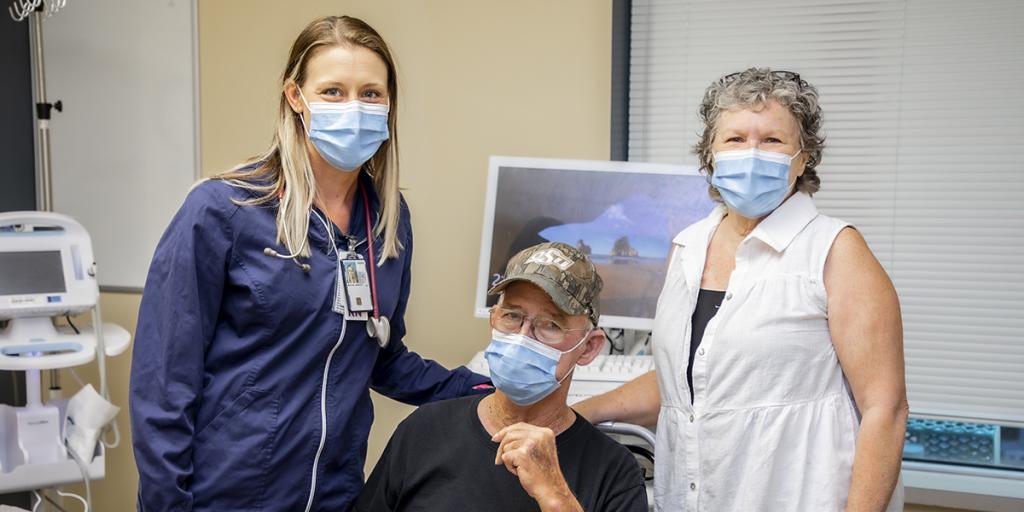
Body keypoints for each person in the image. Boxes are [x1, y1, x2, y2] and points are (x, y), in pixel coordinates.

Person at [129, 16, 489, 511]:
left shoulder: (385, 220)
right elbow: (163, 384)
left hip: (333, 495)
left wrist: (488, 386)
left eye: (370, 93)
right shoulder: (225, 210)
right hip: (227, 495)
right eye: (333, 91)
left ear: (389, 105)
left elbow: (379, 355)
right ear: (296, 98)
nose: (354, 107)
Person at [574, 68, 908, 511]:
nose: (752, 153)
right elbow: (687, 385)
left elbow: (885, 410)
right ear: (710, 155)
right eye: (734, 139)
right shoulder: (687, 247)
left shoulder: (835, 250)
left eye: (772, 140)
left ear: (803, 158)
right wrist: (579, 414)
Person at [355, 242, 648, 512]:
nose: (523, 337)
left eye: (550, 325)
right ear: (494, 318)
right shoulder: (424, 431)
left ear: (588, 347)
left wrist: (557, 497)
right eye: (512, 316)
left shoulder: (613, 472)